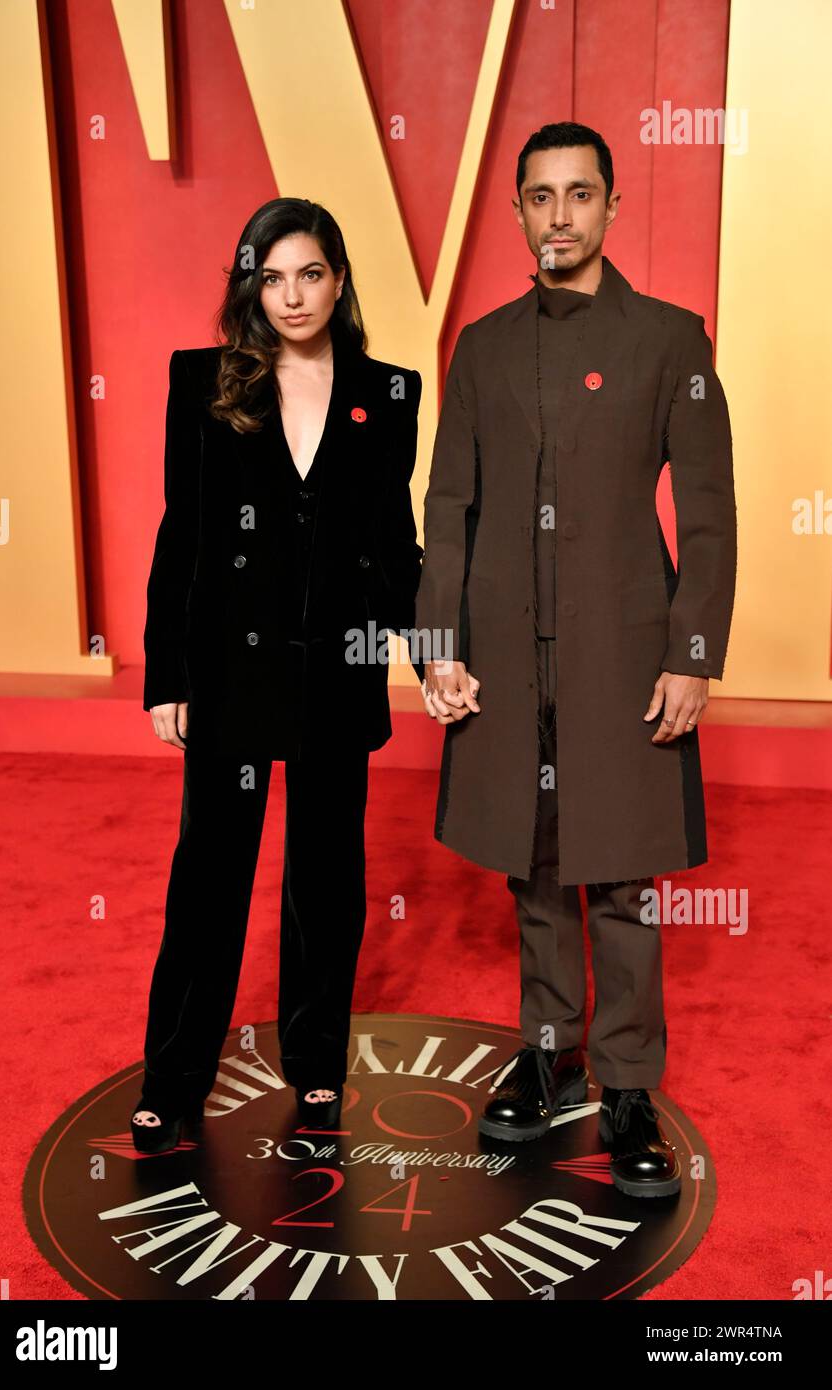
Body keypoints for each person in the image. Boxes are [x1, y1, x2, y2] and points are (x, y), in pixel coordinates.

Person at [415, 122, 736, 1197]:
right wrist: (433, 648)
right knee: (534, 857)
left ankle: (630, 1083)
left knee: (624, 873)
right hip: (507, 650)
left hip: (621, 648)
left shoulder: (668, 340)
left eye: (578, 194)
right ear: (515, 213)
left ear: (610, 207)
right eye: (539, 197)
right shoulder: (482, 346)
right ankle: (546, 1052)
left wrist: (692, 652)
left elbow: (706, 513)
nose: (559, 215)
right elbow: (446, 507)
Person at [132, 198, 422, 1153]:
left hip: (337, 675)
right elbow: (184, 538)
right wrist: (168, 672)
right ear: (249, 285)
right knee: (209, 880)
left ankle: (317, 1073)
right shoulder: (205, 383)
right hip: (229, 672)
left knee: (327, 883)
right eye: (272, 277)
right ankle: (174, 1076)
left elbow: (395, 547)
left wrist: (434, 648)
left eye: (311, 274)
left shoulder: (389, 393)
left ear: (339, 280)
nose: (292, 296)